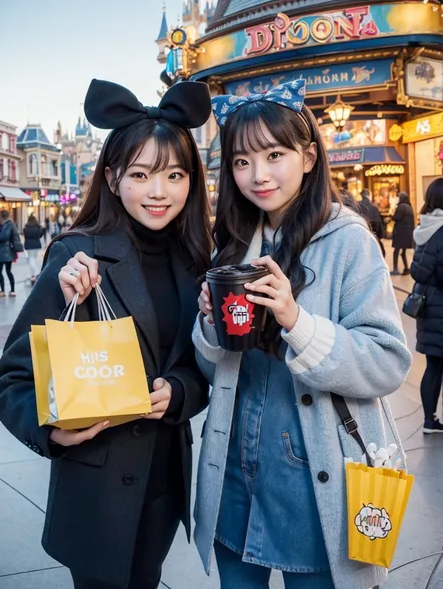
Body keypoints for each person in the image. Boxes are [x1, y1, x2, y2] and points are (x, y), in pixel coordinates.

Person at [0, 79, 212, 589]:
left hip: (164, 481)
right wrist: (50, 432)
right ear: (112, 179)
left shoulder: (196, 260)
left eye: (175, 175)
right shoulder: (77, 257)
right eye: (142, 174)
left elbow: (203, 365)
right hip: (96, 490)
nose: (160, 191)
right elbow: (11, 382)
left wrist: (179, 393)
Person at [193, 81, 411, 589]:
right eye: (242, 162)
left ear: (309, 156)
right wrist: (209, 325)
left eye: (274, 155)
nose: (258, 175)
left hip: (316, 477)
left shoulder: (348, 241)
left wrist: (298, 322)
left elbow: (388, 362)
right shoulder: (231, 242)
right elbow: (213, 368)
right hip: (234, 473)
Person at [410, 178, 443, 434]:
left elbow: (419, 270)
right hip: (439, 307)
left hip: (428, 307)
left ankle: (429, 420)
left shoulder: (425, 227)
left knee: (433, 366)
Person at [0, 210, 19, 298]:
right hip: (1, 252)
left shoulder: (8, 224)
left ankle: (12, 290)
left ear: (1, 216)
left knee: (7, 271)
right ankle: (3, 290)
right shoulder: (0, 225)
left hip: (5, 251)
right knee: (0, 272)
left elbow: (2, 236)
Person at [391, 191, 414, 275]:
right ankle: (406, 268)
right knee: (403, 252)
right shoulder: (409, 207)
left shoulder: (401, 207)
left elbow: (396, 217)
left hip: (400, 232)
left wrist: (392, 215)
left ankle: (395, 269)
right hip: (408, 232)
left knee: (396, 251)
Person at [359, 189, 385, 257]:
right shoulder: (374, 208)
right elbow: (379, 223)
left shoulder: (357, 206)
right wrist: (380, 236)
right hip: (372, 236)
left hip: (360, 236)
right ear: (368, 196)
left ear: (361, 196)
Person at [23, 214, 44, 282]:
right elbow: (41, 234)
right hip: (37, 244)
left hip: (29, 245)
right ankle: (35, 273)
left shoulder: (26, 227)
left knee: (31, 258)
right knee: (35, 258)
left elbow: (25, 235)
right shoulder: (38, 227)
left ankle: (34, 273)